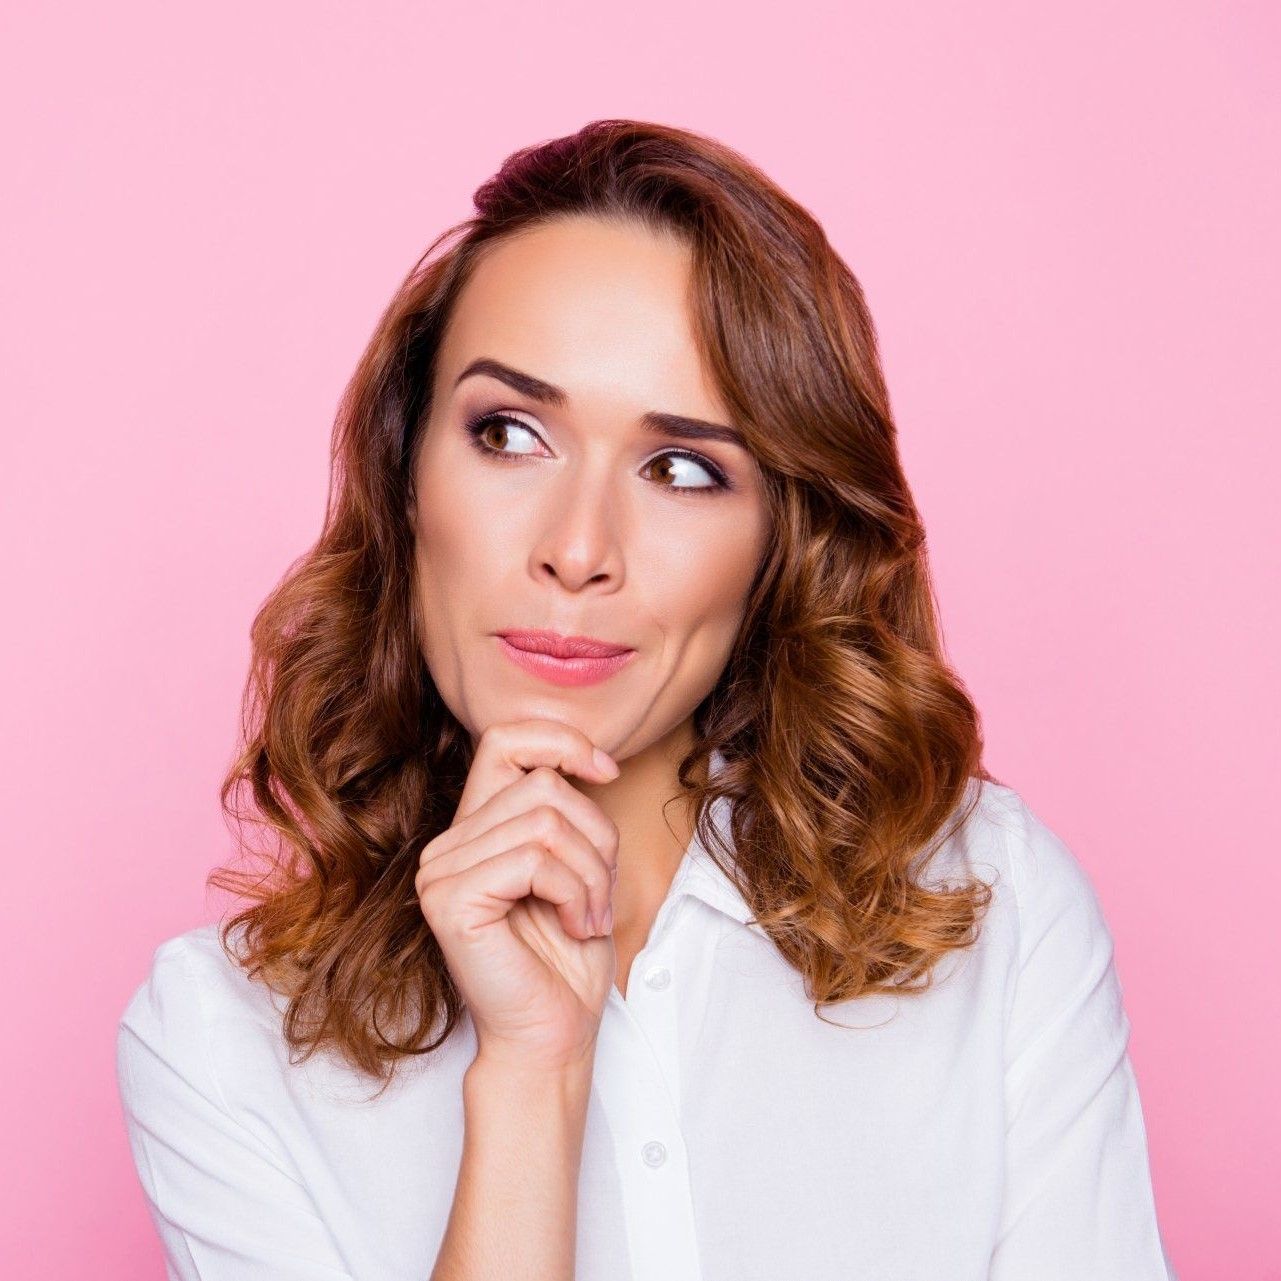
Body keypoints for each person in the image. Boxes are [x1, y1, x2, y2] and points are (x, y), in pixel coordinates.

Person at [115, 119, 1178, 1281]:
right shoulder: (220, 1042)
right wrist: (533, 1078)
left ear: (781, 542)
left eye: (683, 469)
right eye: (510, 434)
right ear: (407, 473)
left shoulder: (994, 908)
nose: (578, 551)